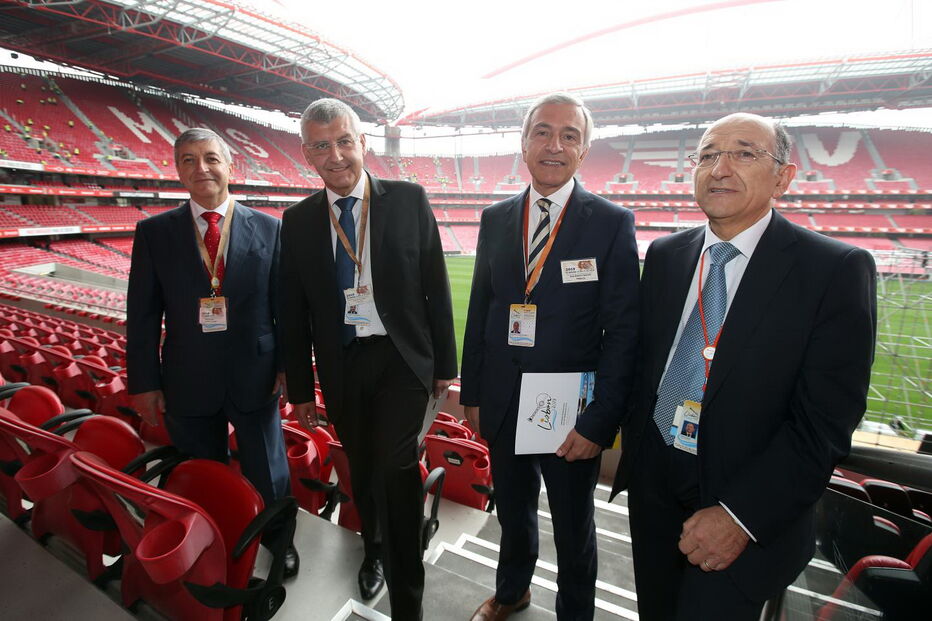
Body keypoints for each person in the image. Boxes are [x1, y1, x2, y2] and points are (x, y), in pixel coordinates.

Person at [611, 113, 877, 620]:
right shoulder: (667, 255)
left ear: (784, 176)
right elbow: (644, 366)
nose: (720, 168)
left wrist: (739, 517)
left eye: (744, 153)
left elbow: (824, 423)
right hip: (656, 491)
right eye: (708, 155)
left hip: (744, 508)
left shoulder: (834, 270)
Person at [460, 93, 639, 620]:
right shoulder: (495, 218)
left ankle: (575, 614)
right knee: (512, 514)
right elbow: (481, 310)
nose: (554, 145)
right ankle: (512, 591)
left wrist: (600, 420)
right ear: (523, 143)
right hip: (504, 400)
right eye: (542, 132)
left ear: (584, 151)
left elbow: (625, 332)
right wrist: (473, 392)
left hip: (570, 414)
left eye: (569, 135)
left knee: (572, 524)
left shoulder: (610, 222)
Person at [280, 98, 457, 621]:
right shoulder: (297, 221)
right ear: (306, 154)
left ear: (364, 143)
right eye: (320, 146)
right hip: (342, 366)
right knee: (361, 467)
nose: (335, 156)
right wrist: (300, 391)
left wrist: (445, 365)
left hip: (402, 360)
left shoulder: (408, 199)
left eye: (343, 141)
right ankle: (374, 545)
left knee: (396, 466)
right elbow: (293, 313)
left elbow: (435, 287)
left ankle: (408, 599)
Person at [126, 128, 298, 576]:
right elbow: (142, 316)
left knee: (270, 473)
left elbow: (286, 311)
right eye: (188, 159)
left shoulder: (271, 228)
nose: (200, 167)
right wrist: (143, 383)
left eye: (210, 158)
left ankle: (279, 540)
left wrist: (286, 368)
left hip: (255, 375)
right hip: (187, 377)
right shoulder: (153, 233)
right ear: (177, 170)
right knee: (201, 474)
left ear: (229, 166)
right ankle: (211, 542)